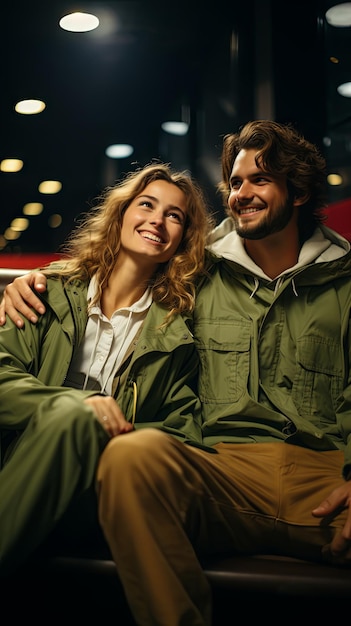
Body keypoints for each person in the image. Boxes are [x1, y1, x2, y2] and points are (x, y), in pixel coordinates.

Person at [2, 120, 351, 626]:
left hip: (326, 472)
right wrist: (31, 282)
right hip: (224, 470)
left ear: (297, 191)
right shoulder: (198, 279)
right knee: (128, 453)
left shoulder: (342, 281)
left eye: (261, 179)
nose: (242, 193)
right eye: (235, 182)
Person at [0, 162, 215, 578]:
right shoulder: (46, 291)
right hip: (15, 462)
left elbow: (182, 429)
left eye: (175, 216)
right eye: (147, 205)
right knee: (74, 413)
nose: (158, 220)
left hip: (98, 490)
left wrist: (113, 436)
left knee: (79, 419)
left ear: (182, 239)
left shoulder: (176, 333)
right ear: (121, 213)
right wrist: (82, 405)